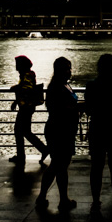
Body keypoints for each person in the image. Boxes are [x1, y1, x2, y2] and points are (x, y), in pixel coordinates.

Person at [36, 57, 79, 212]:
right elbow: (63, 109)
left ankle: (49, 197)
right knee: (59, 165)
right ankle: (59, 198)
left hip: (62, 130)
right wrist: (78, 107)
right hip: (59, 130)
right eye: (67, 68)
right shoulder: (58, 87)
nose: (69, 71)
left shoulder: (62, 85)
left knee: (59, 165)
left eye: (70, 68)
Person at [85, 53, 112, 212]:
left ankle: (96, 201)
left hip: (97, 128)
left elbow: (88, 110)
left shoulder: (91, 85)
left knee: (96, 167)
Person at [9, 55, 48, 165]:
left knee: (19, 131)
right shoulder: (29, 74)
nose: (16, 66)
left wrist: (16, 88)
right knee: (25, 131)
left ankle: (23, 156)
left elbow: (27, 89)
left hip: (26, 107)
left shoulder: (26, 75)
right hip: (28, 106)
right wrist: (16, 101)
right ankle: (42, 149)